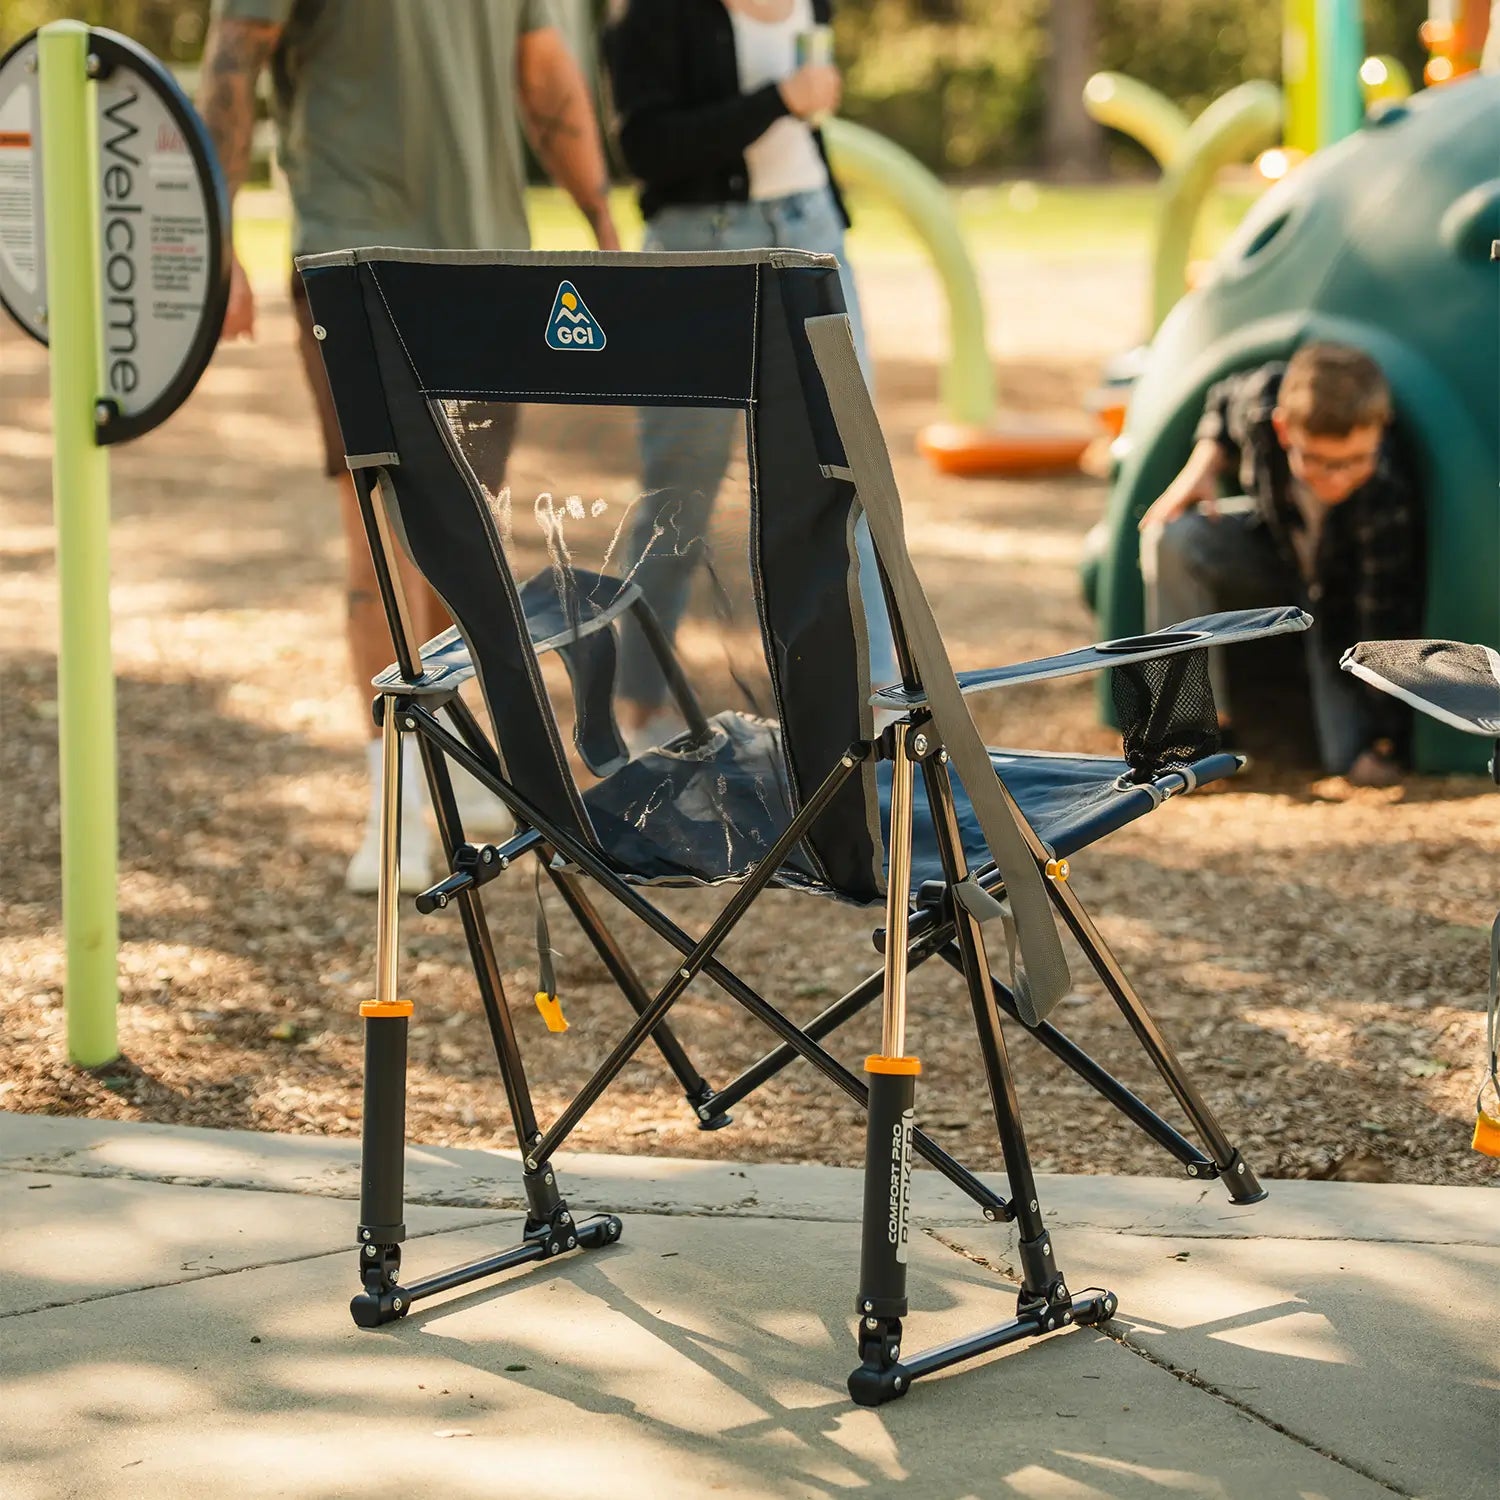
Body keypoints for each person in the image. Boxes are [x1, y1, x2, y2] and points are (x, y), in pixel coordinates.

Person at [197, 0, 620, 891]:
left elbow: (540, 67)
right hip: (371, 264)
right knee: (389, 539)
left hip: (468, 268)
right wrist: (214, 237)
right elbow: (238, 52)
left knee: (450, 536)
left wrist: (603, 222)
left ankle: (448, 767)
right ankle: (396, 801)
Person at [603, 0, 897, 748]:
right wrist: (778, 101)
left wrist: (805, 102)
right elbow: (644, 146)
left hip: (812, 229)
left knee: (850, 467)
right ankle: (640, 710)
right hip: (696, 249)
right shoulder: (653, 14)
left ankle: (875, 704)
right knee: (680, 484)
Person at [1138, 342, 1424, 787]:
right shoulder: (1263, 401)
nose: (1336, 478)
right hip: (1273, 567)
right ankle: (1186, 737)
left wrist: (1384, 740)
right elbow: (1224, 399)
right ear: (1283, 429)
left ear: (1380, 430)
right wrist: (1203, 463)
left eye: (1355, 460)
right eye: (1317, 460)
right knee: (1172, 536)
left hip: (1337, 617)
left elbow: (1382, 618)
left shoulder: (1385, 494)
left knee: (1343, 756)